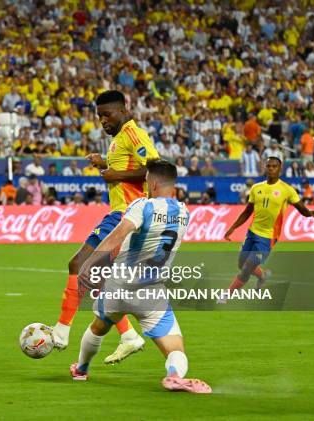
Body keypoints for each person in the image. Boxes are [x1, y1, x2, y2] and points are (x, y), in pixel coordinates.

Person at [70, 160, 211, 393]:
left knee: (99, 326)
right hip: (152, 291)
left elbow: (118, 234)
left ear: (153, 183)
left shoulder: (142, 206)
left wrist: (89, 264)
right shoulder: (184, 213)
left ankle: (81, 370)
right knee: (175, 348)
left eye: (146, 181)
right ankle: (174, 376)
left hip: (120, 285)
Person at [53, 90, 158, 364]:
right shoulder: (118, 140)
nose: (103, 121)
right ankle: (129, 336)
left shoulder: (135, 135)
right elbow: (126, 166)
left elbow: (157, 170)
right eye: (99, 117)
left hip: (127, 215)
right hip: (120, 214)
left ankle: (61, 330)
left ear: (124, 110)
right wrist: (105, 162)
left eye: (107, 115)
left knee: (79, 265)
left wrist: (116, 174)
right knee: (101, 280)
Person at [224, 157, 314, 291]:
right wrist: (233, 227)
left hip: (268, 237)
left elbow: (301, 208)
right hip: (252, 233)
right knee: (241, 264)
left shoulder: (287, 190)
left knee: (246, 267)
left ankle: (225, 296)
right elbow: (247, 212)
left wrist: (311, 213)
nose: (270, 168)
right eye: (268, 166)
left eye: (274, 166)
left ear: (280, 170)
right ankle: (262, 276)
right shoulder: (256, 188)